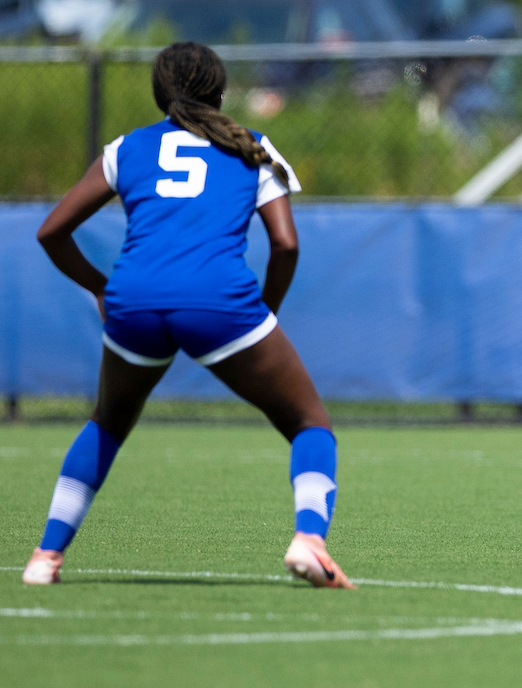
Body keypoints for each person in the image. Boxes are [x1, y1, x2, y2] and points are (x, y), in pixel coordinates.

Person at [22, 42, 354, 588]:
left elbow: (51, 231)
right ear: (220, 93)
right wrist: (264, 314)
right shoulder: (251, 146)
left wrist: (101, 288)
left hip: (134, 300)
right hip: (219, 302)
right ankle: (309, 541)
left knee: (107, 422)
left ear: (160, 95)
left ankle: (45, 557)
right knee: (308, 423)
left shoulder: (127, 148)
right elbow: (286, 244)